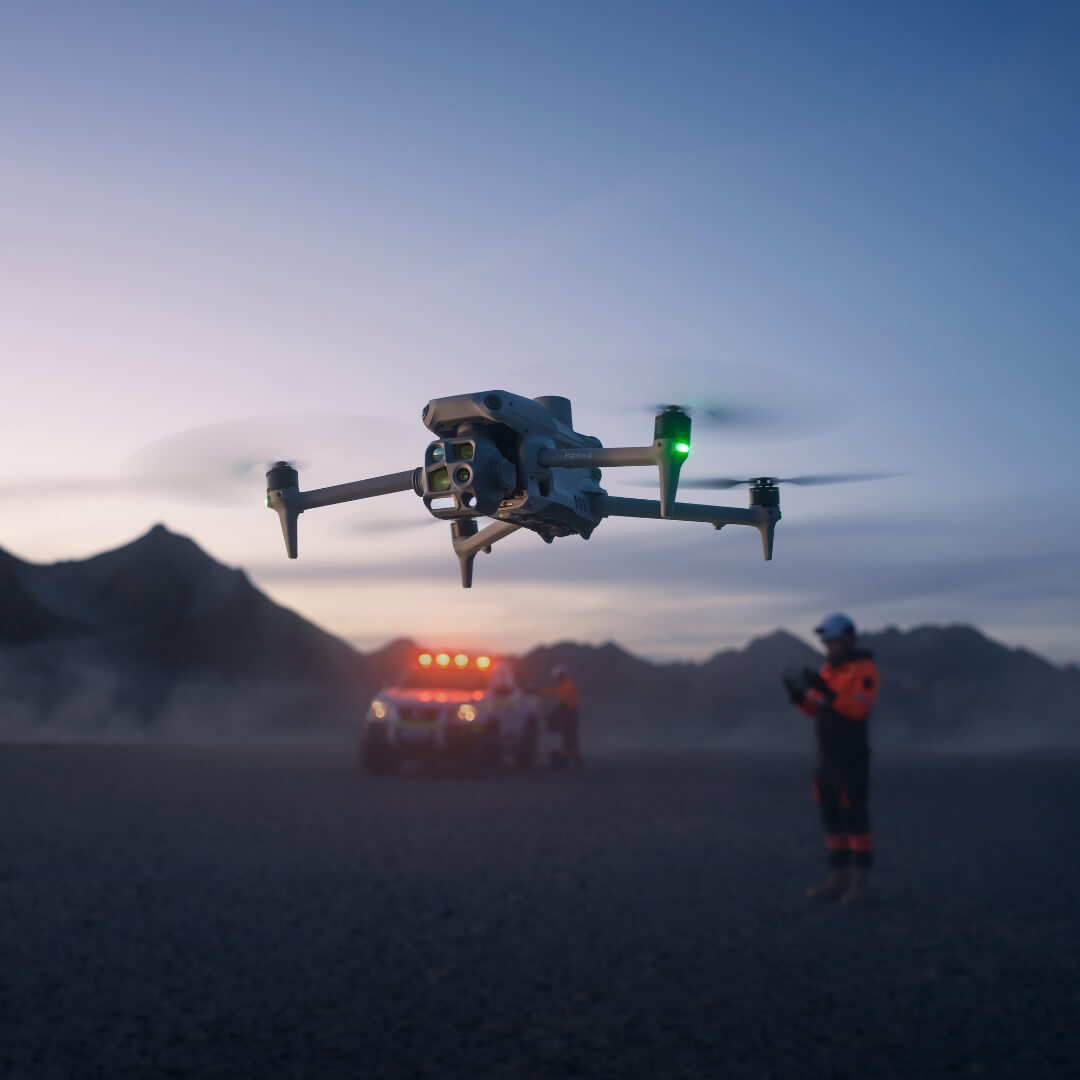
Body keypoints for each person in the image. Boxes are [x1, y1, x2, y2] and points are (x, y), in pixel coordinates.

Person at [782, 613, 879, 905]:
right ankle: (837, 879)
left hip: (850, 757)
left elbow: (858, 710)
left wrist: (826, 690)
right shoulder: (829, 670)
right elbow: (816, 711)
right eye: (825, 642)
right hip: (826, 757)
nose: (828, 647)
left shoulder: (863, 670)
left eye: (832, 641)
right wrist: (798, 697)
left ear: (848, 639)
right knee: (832, 819)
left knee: (855, 818)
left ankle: (859, 885)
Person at [541, 664, 582, 768]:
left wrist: (541, 692)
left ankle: (577, 760)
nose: (556, 679)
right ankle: (573, 760)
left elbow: (560, 694)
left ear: (561, 675)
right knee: (567, 737)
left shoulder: (569, 685)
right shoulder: (564, 684)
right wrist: (540, 692)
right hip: (567, 713)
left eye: (557, 677)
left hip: (570, 714)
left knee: (570, 737)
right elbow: (556, 692)